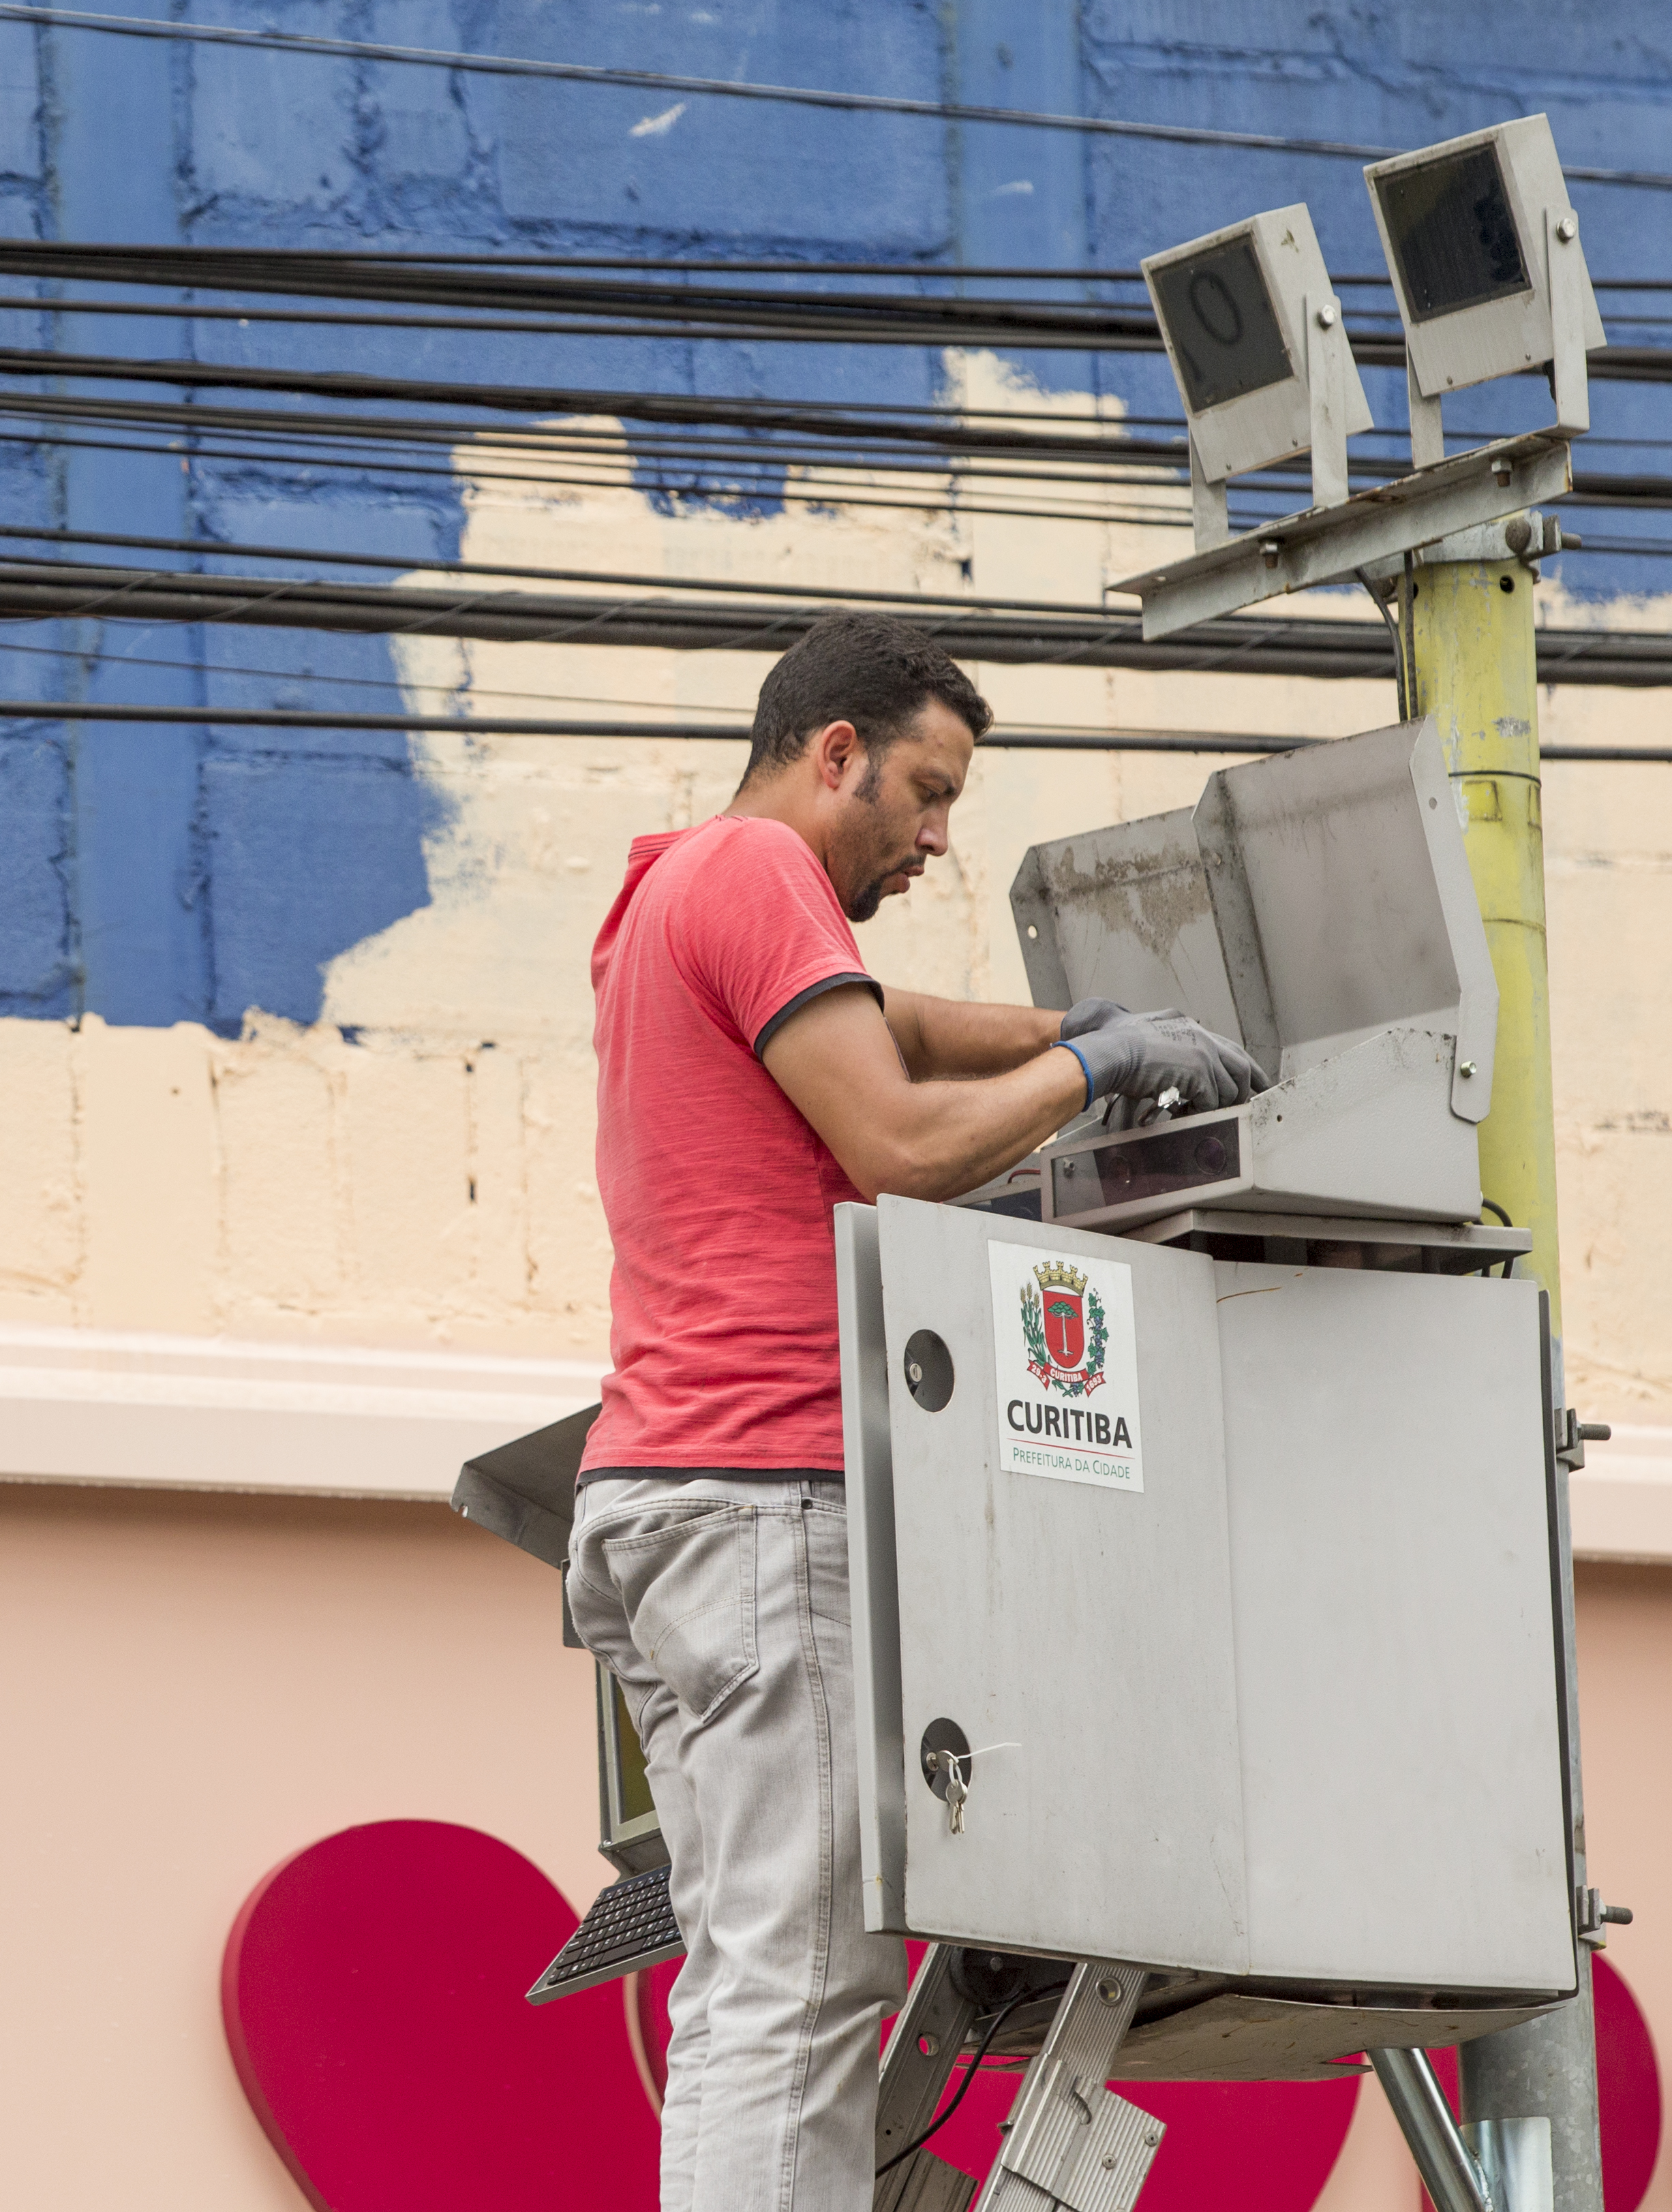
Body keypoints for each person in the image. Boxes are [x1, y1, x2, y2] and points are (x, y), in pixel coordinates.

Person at [564, 612, 1264, 2212]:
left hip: (669, 1503)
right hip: (762, 1498)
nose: (942, 839)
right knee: (798, 1986)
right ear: (836, 755)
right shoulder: (755, 878)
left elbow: (901, 1028)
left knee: (758, 1971)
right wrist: (1097, 1079)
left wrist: (1080, 1031)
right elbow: (895, 1140)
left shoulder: (674, 887)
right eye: (928, 795)